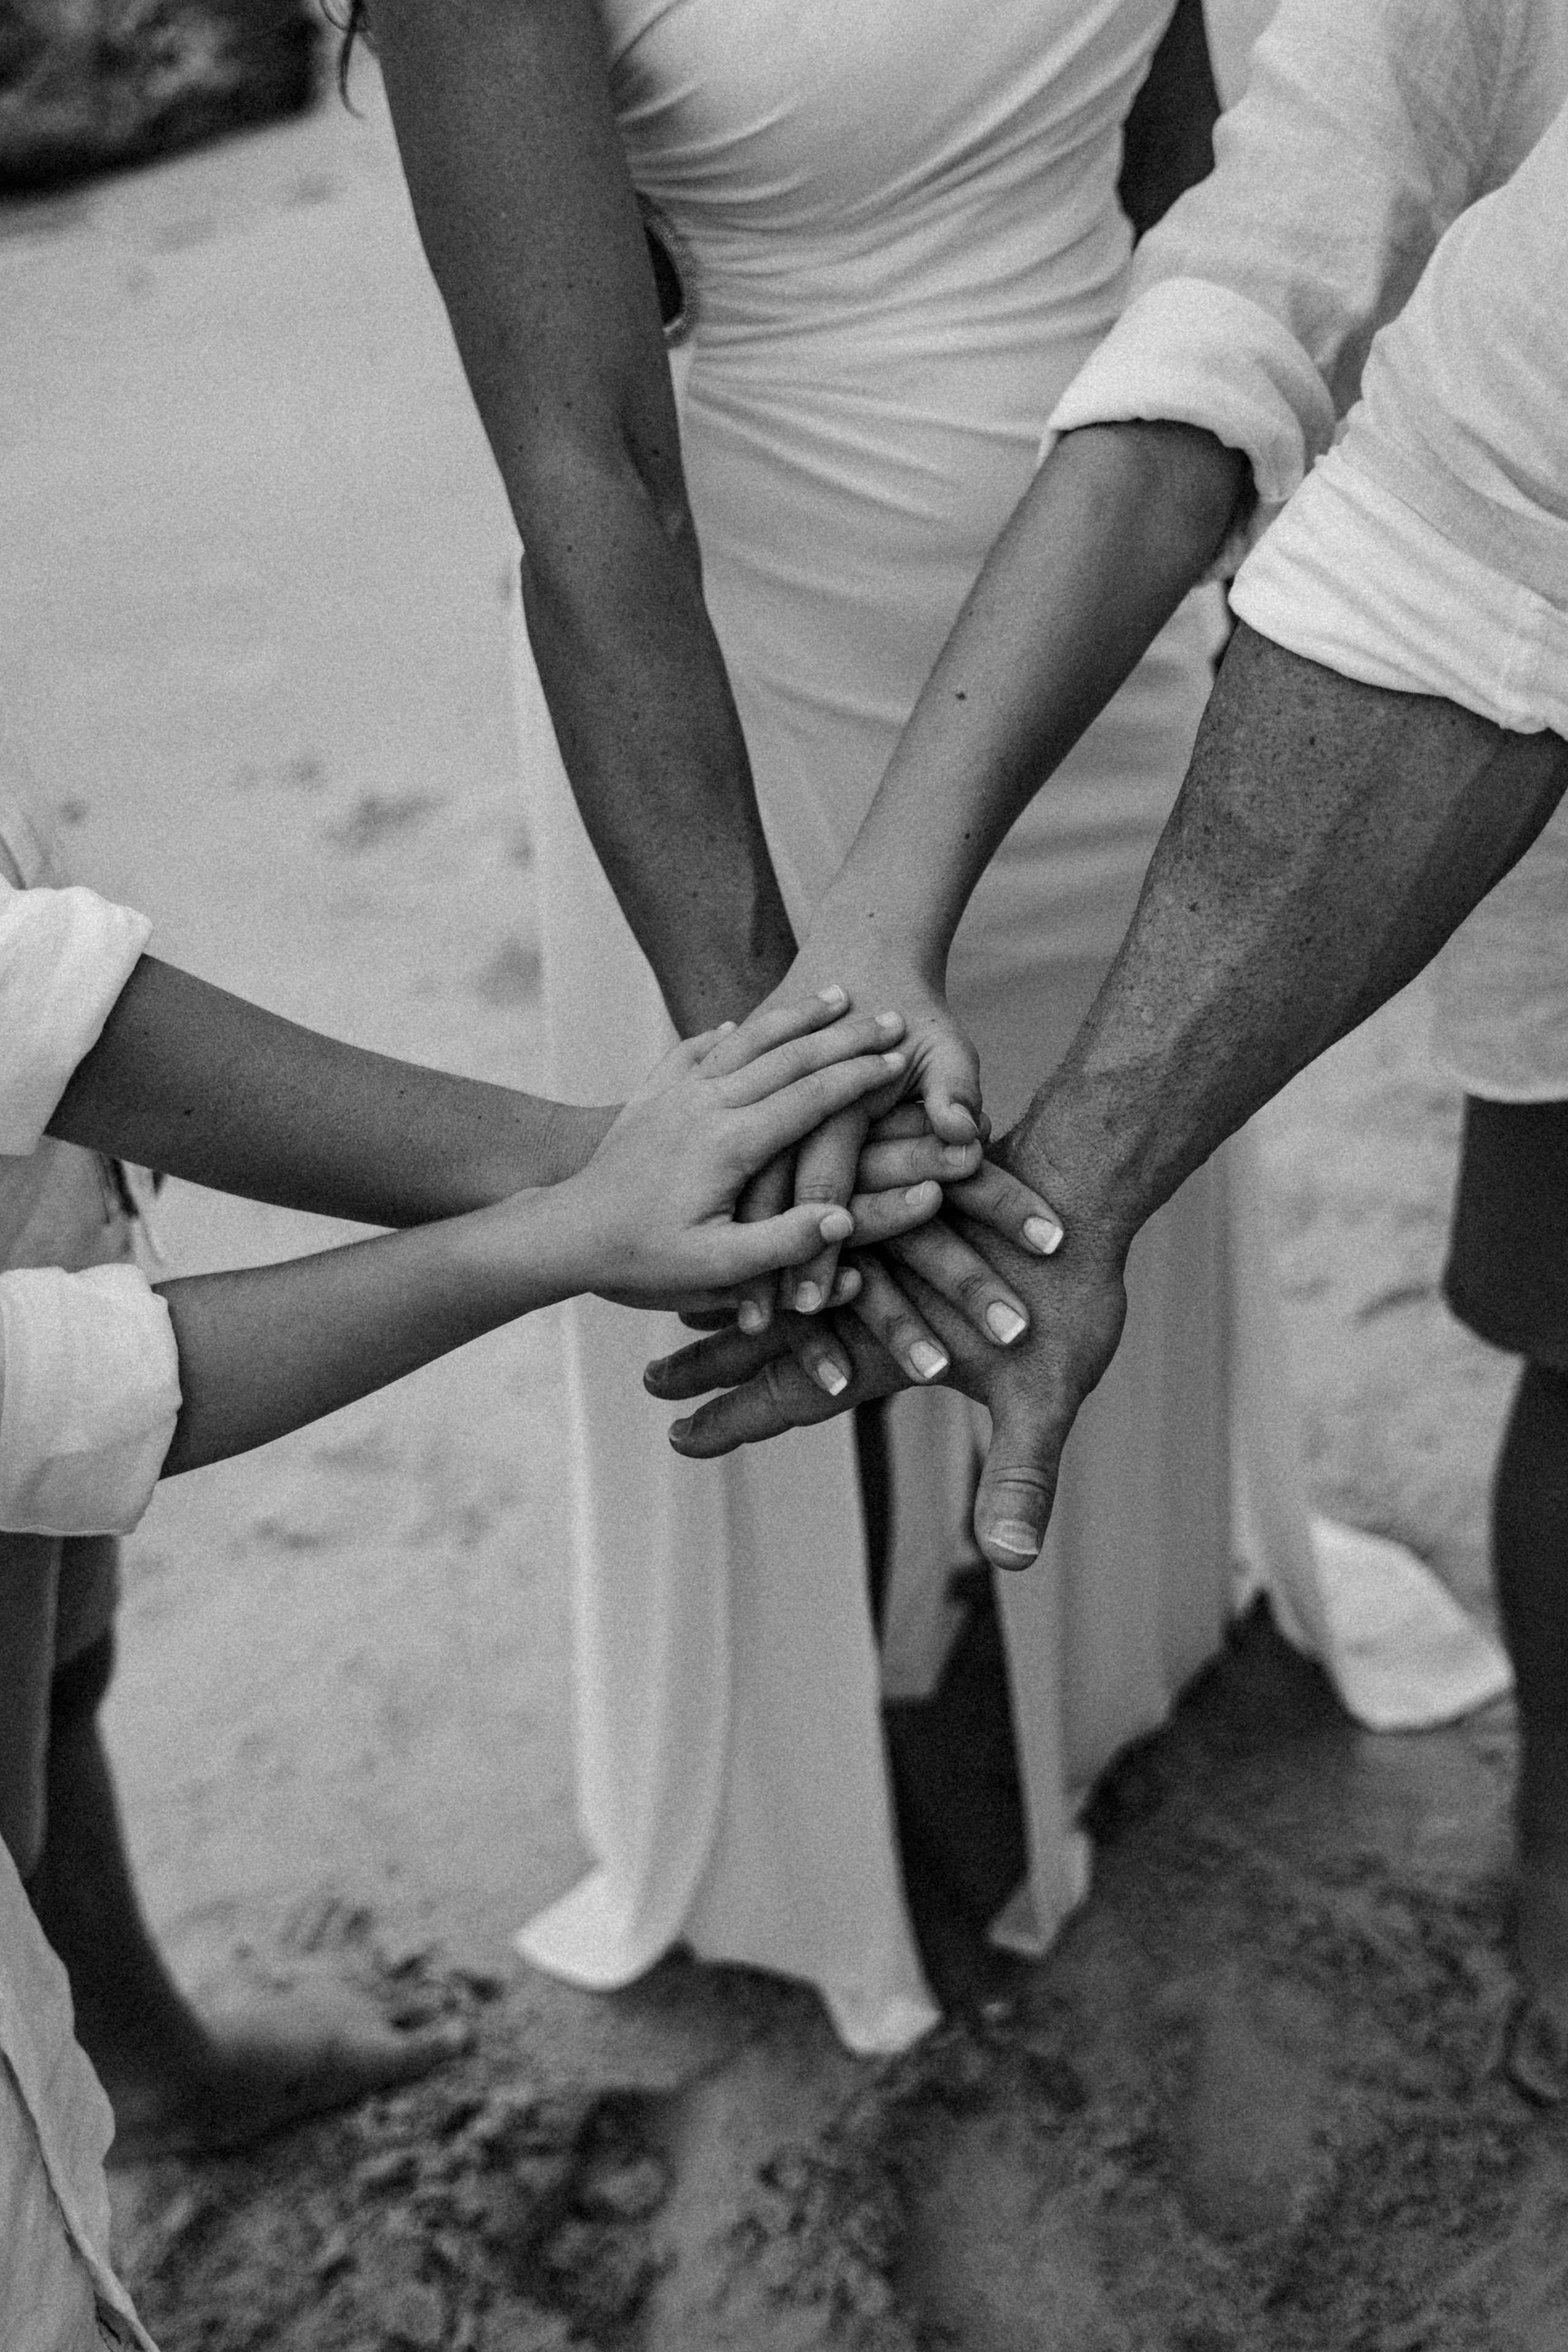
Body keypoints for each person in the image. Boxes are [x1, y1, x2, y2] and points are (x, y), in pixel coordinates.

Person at [360, 0, 1504, 2042]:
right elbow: (587, 479)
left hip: (1126, 580)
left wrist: (1272, 589)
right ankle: (871, 1757)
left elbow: (1195, 185)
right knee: (815, 1223)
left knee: (1093, 1161)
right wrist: (755, 1030)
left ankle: (1078, 1655)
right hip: (756, 652)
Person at [650, 66, 1568, 2084]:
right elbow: (1267, 252)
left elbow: (1484, 507)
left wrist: (1077, 1168)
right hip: (1002, 567)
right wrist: (879, 913)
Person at [1, 816, 944, 2345]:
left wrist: (576, 1200)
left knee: (53, 1672)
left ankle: (148, 2058)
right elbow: (42, 1395)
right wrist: (566, 1196)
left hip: (27, 1171)